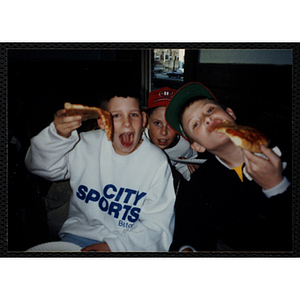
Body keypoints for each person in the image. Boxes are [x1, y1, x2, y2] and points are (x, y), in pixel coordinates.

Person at [25, 86, 176, 252]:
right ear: (102, 122)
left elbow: (157, 227)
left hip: (128, 243)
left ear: (144, 120)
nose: (127, 122)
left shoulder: (157, 162)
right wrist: (57, 136)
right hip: (76, 238)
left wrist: (113, 246)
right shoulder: (83, 144)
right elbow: (39, 167)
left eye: (133, 114)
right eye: (116, 115)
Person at [166, 82, 291, 252]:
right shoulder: (200, 184)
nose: (207, 119)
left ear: (230, 114)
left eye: (209, 110)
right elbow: (189, 231)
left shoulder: (284, 146)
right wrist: (187, 248)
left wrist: (276, 186)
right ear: (197, 146)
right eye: (195, 124)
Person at [144, 87, 199, 182]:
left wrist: (190, 174)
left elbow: (182, 164)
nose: (164, 132)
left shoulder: (185, 145)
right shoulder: (137, 140)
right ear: (147, 122)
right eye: (157, 123)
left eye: (170, 125)